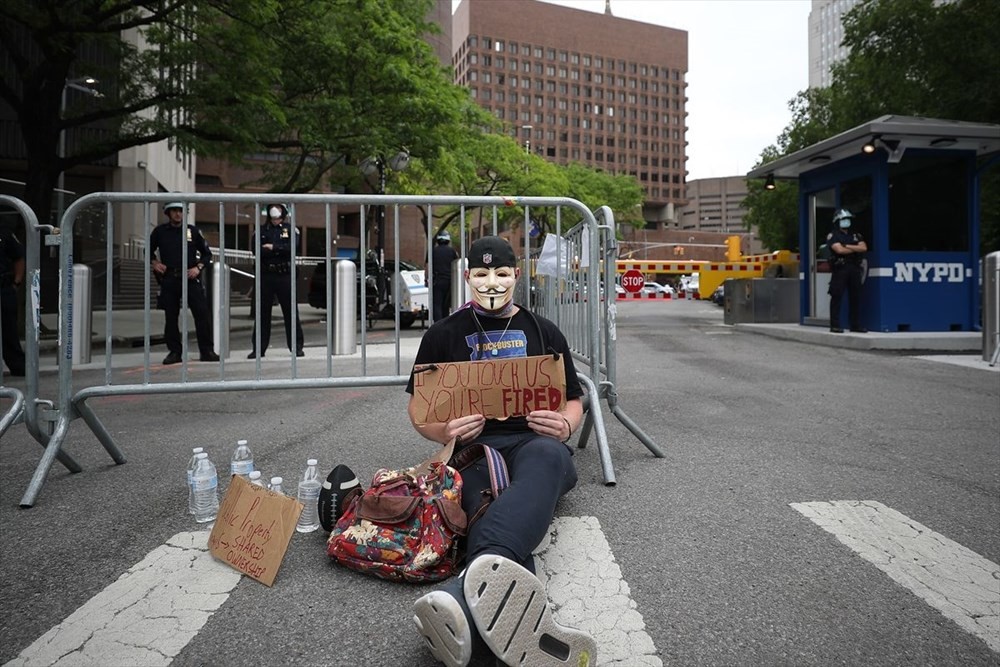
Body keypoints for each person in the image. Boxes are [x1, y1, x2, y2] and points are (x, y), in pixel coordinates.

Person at [406, 235, 597, 667]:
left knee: (550, 460)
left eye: (502, 272)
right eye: (482, 272)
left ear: (516, 275)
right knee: (488, 507)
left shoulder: (544, 331)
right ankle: (489, 634)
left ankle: (462, 599)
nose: (492, 281)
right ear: (468, 275)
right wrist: (445, 430)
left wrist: (566, 423)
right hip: (473, 449)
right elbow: (418, 411)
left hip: (535, 443)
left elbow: (572, 398)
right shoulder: (442, 335)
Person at [149, 202, 220, 365]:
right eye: (174, 211)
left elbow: (206, 254)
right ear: (168, 213)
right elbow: (149, 250)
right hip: (170, 278)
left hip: (190, 277)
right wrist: (155, 262)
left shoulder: (192, 231)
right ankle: (175, 352)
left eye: (181, 211)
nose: (178, 214)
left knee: (201, 314)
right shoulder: (160, 232)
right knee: (171, 316)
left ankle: (207, 351)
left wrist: (199, 267)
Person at [248, 203, 305, 358]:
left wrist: (273, 247)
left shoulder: (291, 229)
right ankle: (258, 348)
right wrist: (279, 249)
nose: (275, 217)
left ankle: (296, 347)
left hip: (284, 275)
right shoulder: (260, 231)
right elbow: (256, 250)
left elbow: (293, 248)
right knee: (262, 313)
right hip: (266, 275)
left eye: (279, 212)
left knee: (291, 312)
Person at [827, 208, 868, 333]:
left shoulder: (855, 235)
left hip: (855, 267)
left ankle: (855, 325)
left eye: (848, 219)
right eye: (843, 219)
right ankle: (835, 325)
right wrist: (854, 248)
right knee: (837, 296)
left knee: (855, 297)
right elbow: (839, 250)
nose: (846, 221)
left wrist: (846, 245)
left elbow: (864, 248)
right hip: (841, 268)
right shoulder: (833, 235)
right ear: (837, 221)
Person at [0, 226, 26, 377]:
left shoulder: (3, 230)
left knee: (8, 330)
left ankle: (19, 367)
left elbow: (18, 257)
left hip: (3, 288)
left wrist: (16, 283)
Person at [430, 230, 458, 322]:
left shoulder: (432, 251)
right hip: (450, 281)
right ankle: (445, 323)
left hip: (437, 280)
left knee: (437, 304)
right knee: (446, 305)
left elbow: (427, 266)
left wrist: (426, 279)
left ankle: (438, 324)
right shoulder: (452, 251)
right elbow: (456, 264)